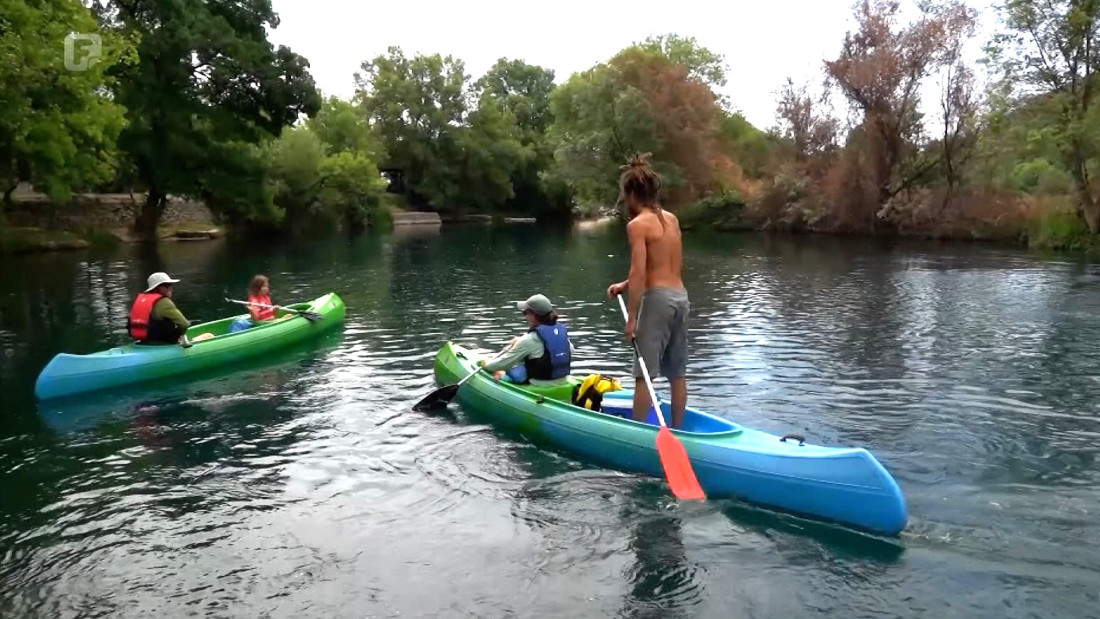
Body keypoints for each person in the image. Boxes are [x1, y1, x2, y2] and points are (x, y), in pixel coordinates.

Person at [606, 153, 690, 429]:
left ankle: (638, 433)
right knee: (677, 373)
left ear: (631, 194)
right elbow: (663, 263)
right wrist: (624, 285)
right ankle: (678, 430)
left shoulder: (637, 225)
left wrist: (631, 318)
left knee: (643, 373)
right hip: (680, 297)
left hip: (658, 302)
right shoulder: (672, 219)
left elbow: (640, 272)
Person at [477, 294, 576, 386]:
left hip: (540, 383)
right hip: (562, 380)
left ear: (533, 315)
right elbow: (570, 350)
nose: (525, 316)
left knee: (507, 371)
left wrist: (487, 365)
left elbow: (504, 362)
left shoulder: (529, 340)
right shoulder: (559, 333)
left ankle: (501, 375)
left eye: (525, 313)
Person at [128, 272, 212, 345]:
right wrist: (179, 335)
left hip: (143, 341)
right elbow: (184, 324)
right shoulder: (164, 302)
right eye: (166, 285)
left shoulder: (140, 300)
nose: (170, 287)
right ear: (157, 288)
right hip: (163, 343)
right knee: (209, 335)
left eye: (170, 285)